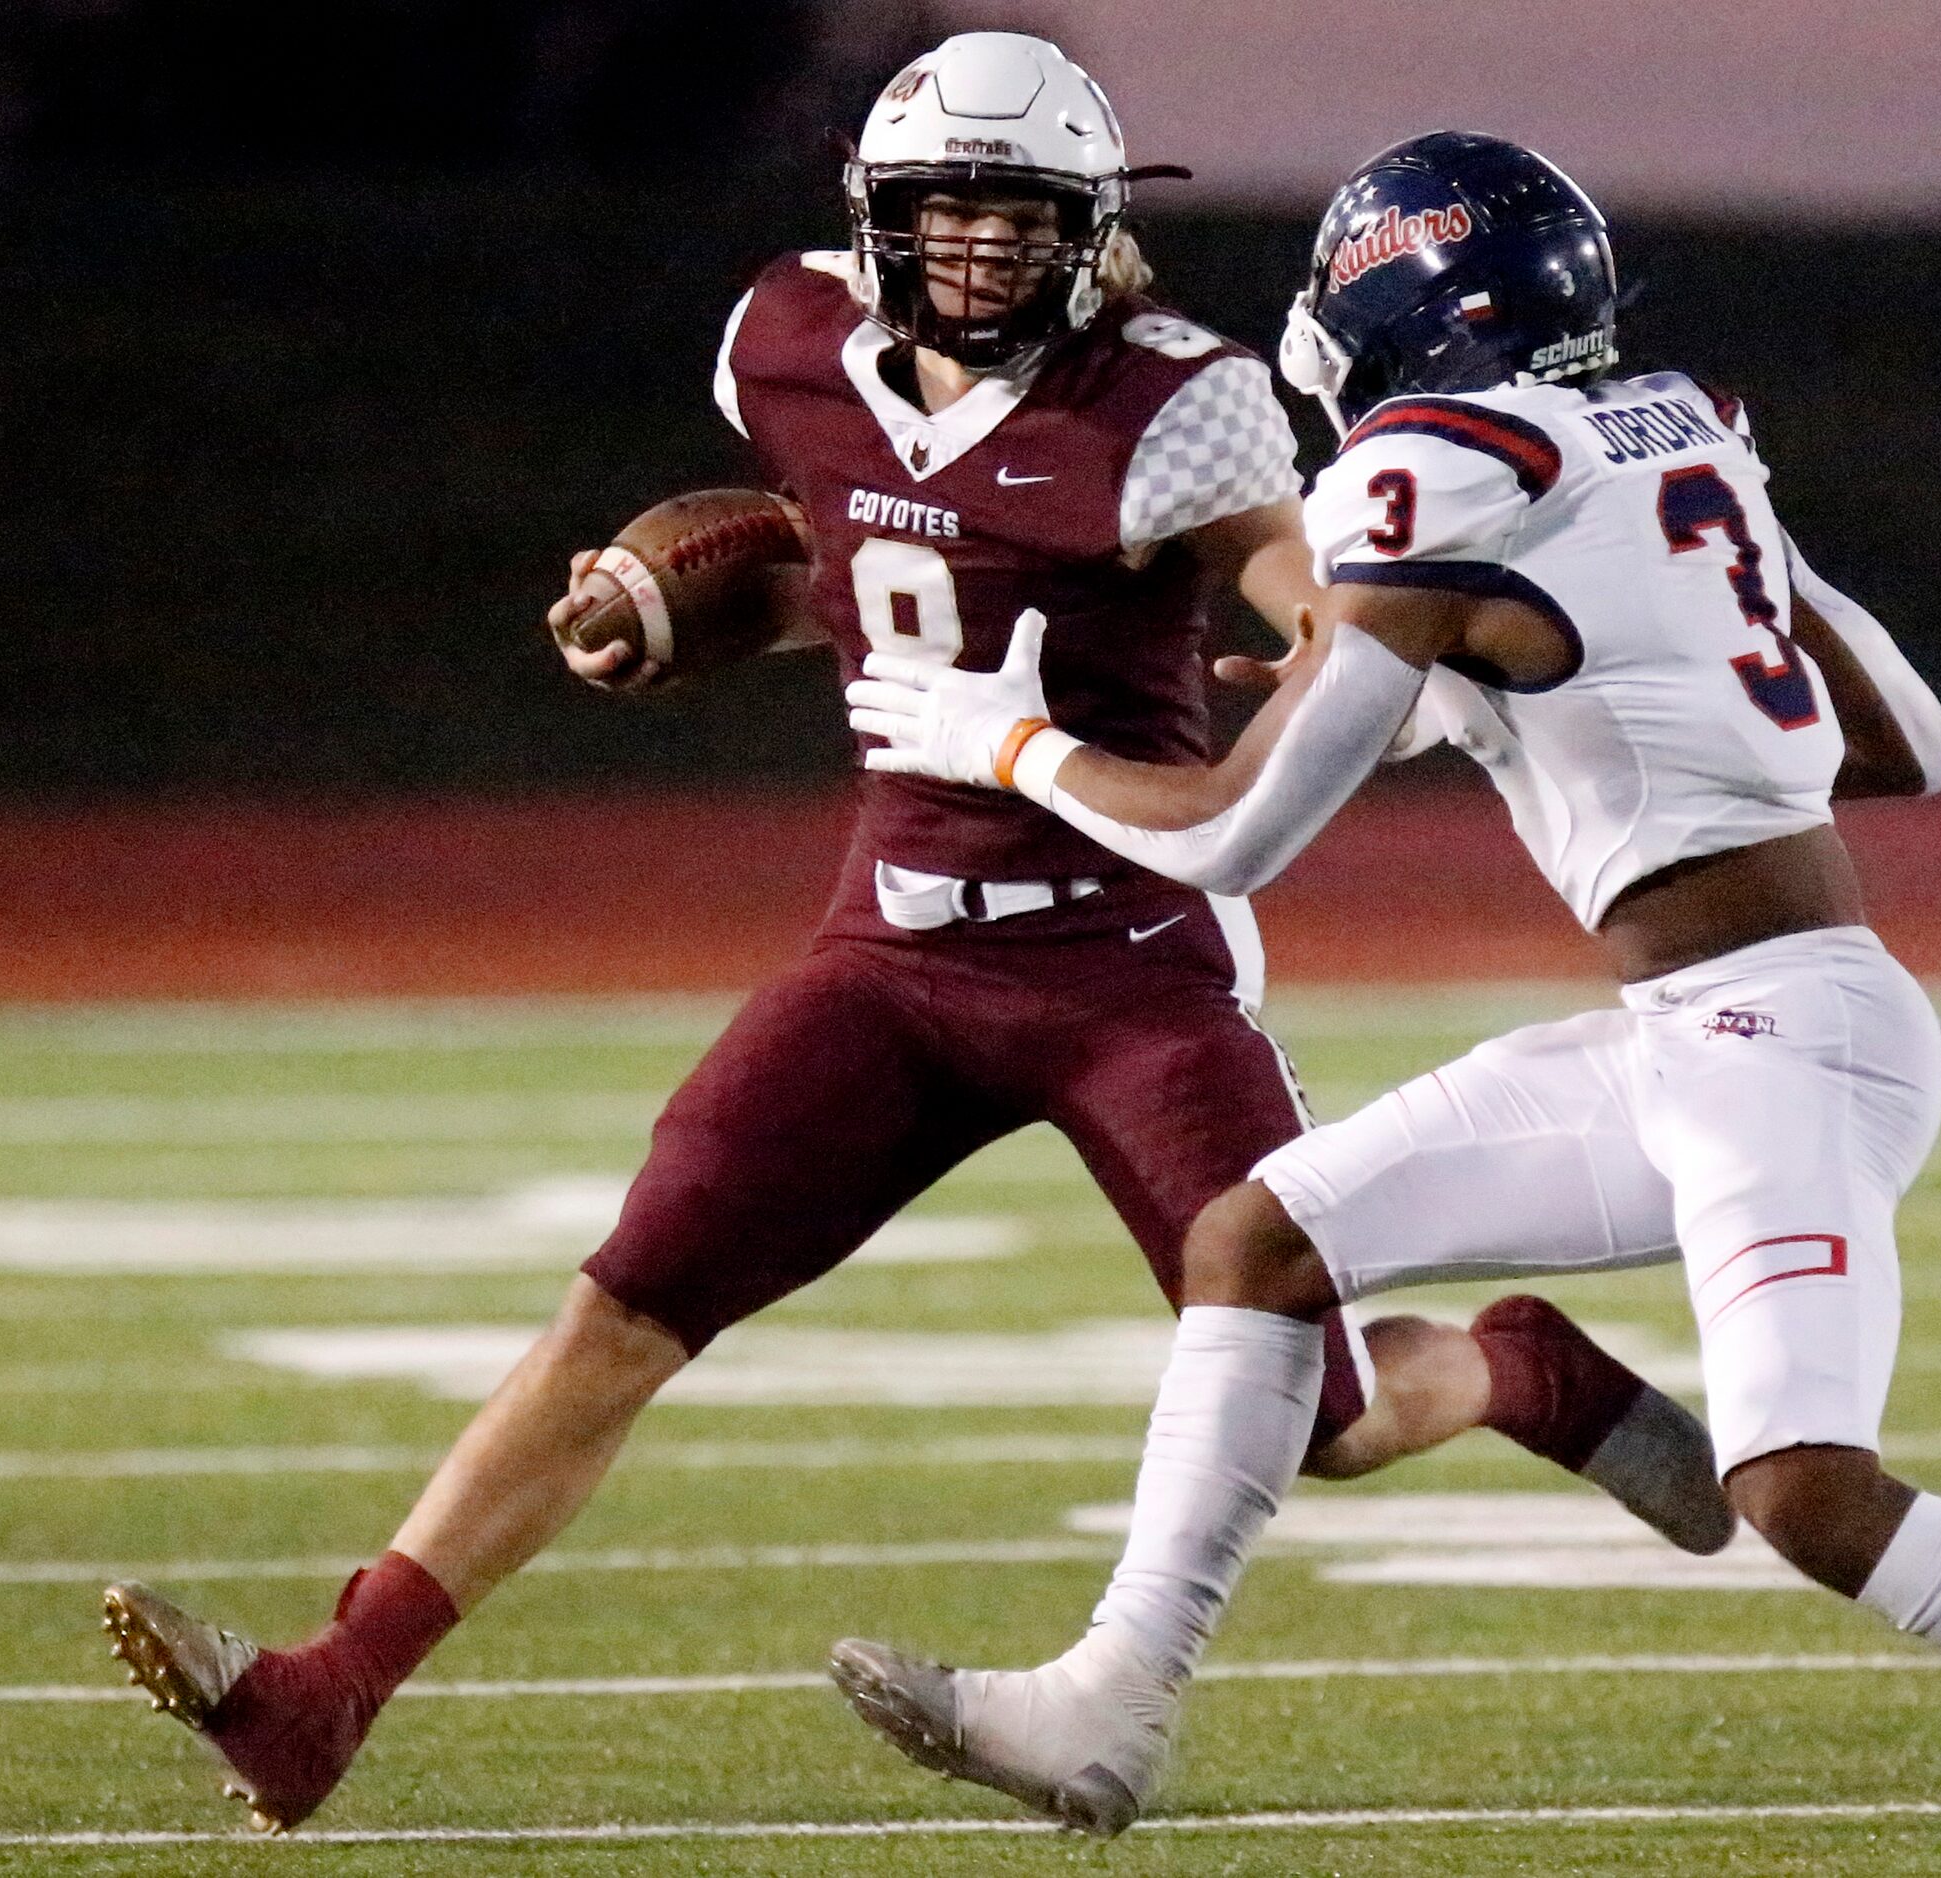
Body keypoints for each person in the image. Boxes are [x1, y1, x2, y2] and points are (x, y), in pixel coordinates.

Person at [98, 52, 1730, 1836]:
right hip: (889, 948)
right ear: (873, 218)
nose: (975, 250)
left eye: (1019, 217)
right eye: (945, 208)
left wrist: (1359, 678)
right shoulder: (784, 343)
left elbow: (1344, 626)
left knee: (1323, 1418)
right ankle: (327, 1694)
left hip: (1129, 961)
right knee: (623, 1306)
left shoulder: (1175, 407)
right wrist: (691, 603)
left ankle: (1521, 1366)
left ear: (1090, 233)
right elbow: (879, 556)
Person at [826, 133, 1941, 1877]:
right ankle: (1107, 1701)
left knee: (1804, 1490)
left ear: (1388, 311)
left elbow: (1236, 834)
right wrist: (1468, 679)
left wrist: (999, 739)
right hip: (1720, 1034)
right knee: (1257, 1239)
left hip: (1776, 1043)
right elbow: (1899, 742)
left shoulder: (1428, 469)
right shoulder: (1669, 425)